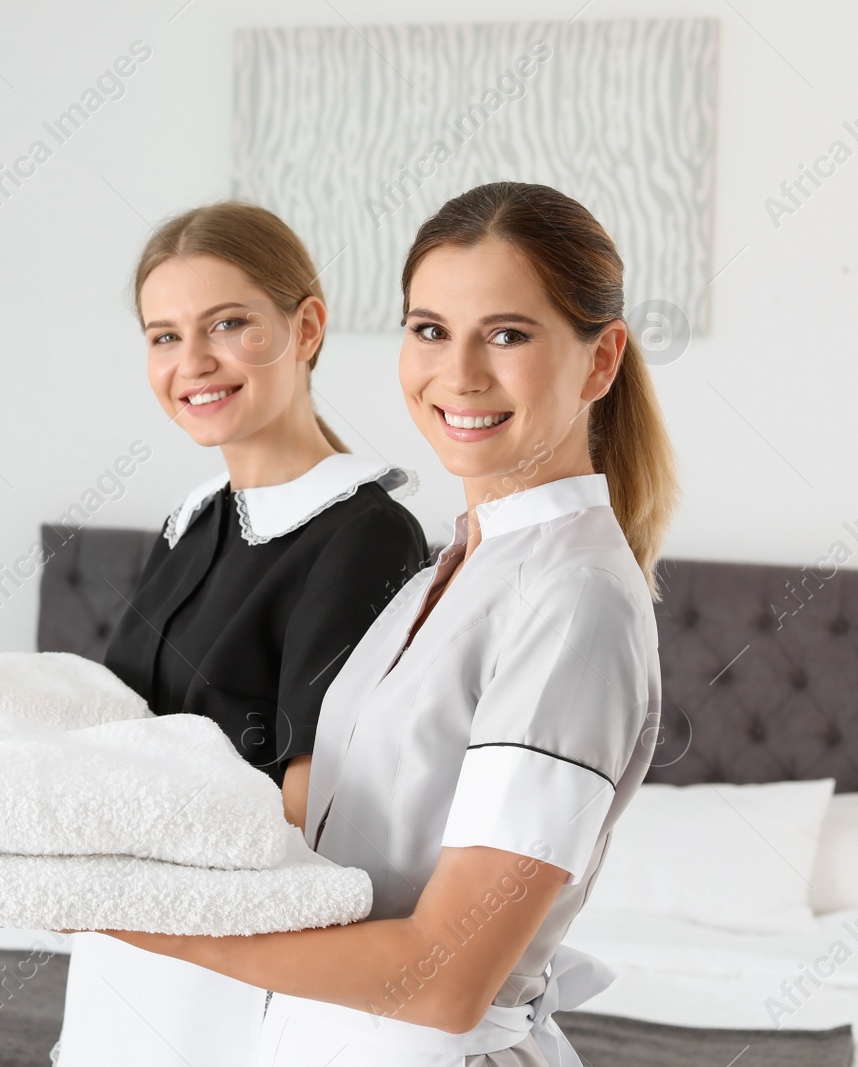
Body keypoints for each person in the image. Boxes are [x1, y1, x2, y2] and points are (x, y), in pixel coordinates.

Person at [102, 181, 679, 1067]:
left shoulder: (575, 601)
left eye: (509, 334)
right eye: (430, 330)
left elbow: (447, 977)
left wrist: (134, 916)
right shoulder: (443, 577)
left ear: (599, 362)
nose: (461, 373)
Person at [57, 202, 429, 1066]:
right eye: (164, 335)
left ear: (306, 328)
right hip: (126, 954)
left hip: (240, 976)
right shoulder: (192, 521)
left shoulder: (364, 531)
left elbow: (310, 812)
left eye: (229, 324)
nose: (193, 363)